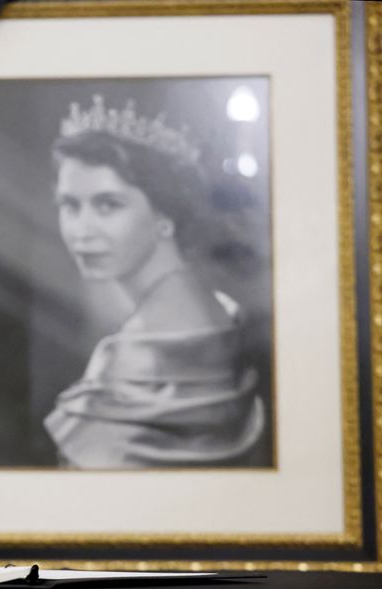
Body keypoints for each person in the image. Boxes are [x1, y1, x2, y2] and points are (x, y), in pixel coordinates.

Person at [43, 95, 265, 469]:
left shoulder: (147, 350)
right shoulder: (214, 305)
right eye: (70, 205)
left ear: (166, 213)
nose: (81, 231)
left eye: (107, 204)